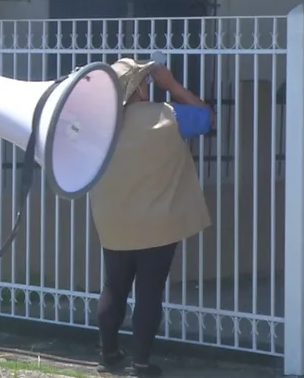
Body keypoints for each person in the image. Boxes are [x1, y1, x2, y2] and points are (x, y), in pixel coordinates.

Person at [90, 58, 213, 376]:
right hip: (159, 222)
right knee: (149, 292)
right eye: (144, 80)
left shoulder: (99, 124)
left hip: (114, 219)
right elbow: (205, 117)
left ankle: (108, 355)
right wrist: (171, 85)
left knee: (114, 287)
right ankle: (141, 364)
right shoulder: (170, 116)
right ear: (140, 89)